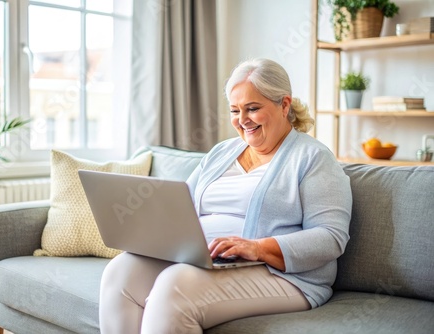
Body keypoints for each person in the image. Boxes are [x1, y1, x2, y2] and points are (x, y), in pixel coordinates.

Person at [99, 58, 352, 333]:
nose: (242, 121)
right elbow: (180, 205)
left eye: (252, 109)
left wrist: (256, 247)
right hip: (206, 260)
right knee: (120, 272)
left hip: (283, 275)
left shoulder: (313, 158)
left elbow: (331, 237)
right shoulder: (221, 153)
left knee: (176, 286)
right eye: (235, 110)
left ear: (284, 105)